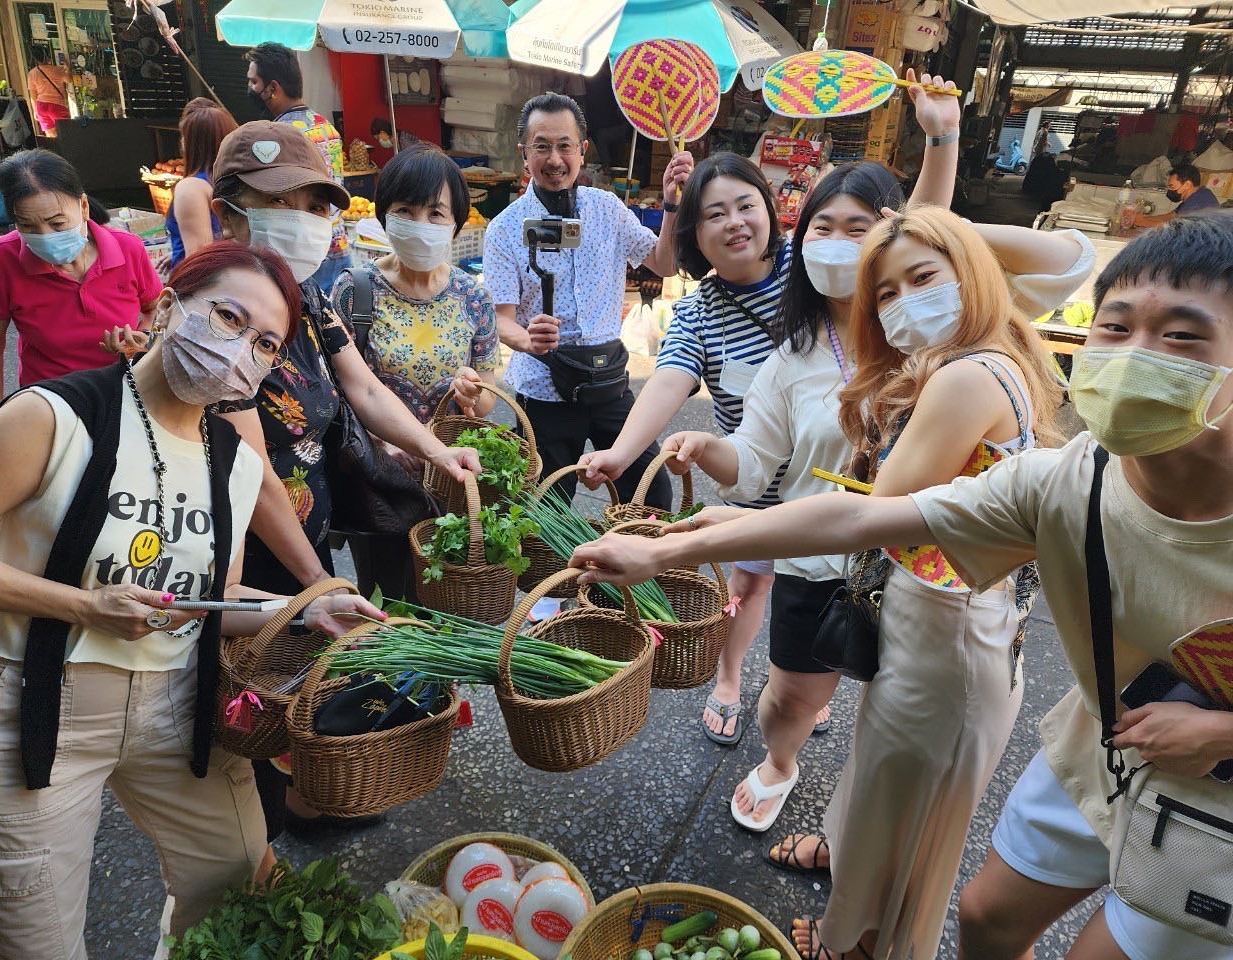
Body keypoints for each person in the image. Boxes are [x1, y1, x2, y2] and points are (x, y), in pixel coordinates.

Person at [575, 211, 1233, 960]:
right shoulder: (1068, 478)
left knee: (918, 821)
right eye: (1114, 329)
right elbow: (857, 520)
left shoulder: (964, 377)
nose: (1137, 357)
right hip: (1081, 731)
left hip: (996, 670)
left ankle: (859, 943)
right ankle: (856, 908)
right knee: (973, 902)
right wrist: (691, 539)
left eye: (1181, 336)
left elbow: (875, 514)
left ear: (975, 275)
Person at [0, 240, 383, 958]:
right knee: (33, 939)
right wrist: (82, 606)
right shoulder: (53, 417)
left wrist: (303, 608)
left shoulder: (237, 465)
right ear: (163, 307)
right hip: (27, 706)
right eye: (227, 316)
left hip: (175, 706)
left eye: (264, 343)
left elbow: (213, 599)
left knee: (236, 883)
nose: (238, 350)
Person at [580, 71, 962, 754]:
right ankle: (736, 684)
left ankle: (810, 688)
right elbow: (668, 384)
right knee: (753, 587)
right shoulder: (700, 312)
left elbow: (913, 238)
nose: (733, 223)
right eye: (713, 213)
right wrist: (623, 451)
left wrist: (941, 137)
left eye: (745, 205)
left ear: (771, 211)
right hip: (764, 475)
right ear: (695, 233)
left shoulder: (812, 272)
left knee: (875, 667)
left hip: (871, 505)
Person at [205, 121, 480, 838]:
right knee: (252, 683)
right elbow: (250, 468)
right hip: (242, 551)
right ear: (228, 210)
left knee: (305, 667)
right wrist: (316, 580)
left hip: (305, 533)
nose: (301, 221)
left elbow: (361, 387)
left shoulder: (306, 298)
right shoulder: (217, 312)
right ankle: (255, 831)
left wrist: (438, 452)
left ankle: (302, 798)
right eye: (280, 202)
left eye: (312, 204)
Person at [482, 92, 693, 520]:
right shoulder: (504, 229)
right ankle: (554, 588)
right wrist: (528, 340)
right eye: (542, 146)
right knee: (541, 511)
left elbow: (664, 262)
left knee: (652, 494)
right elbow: (501, 320)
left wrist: (672, 204)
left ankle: (628, 578)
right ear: (524, 154)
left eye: (565, 146)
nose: (555, 158)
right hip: (544, 389)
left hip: (607, 382)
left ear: (583, 150)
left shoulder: (608, 209)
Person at [331, 145, 499, 599]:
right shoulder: (354, 292)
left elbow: (486, 401)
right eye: (405, 211)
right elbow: (339, 391)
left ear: (457, 224)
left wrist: (472, 393)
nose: (421, 224)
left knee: (447, 601)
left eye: (435, 213)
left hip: (450, 484)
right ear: (384, 217)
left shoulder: (473, 297)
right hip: (379, 485)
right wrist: (384, 441)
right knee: (388, 597)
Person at [0, 149, 162, 414]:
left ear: (83, 206)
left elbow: (157, 308)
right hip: (52, 403)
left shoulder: (127, 248)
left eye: (57, 223)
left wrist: (143, 337)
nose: (45, 236)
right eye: (27, 226)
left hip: (128, 391)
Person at [244, 42, 348, 296]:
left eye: (254, 82)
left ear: (273, 88)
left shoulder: (279, 139)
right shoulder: (327, 127)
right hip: (335, 245)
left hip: (299, 256)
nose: (250, 88)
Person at [166, 97, 237, 268]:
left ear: (193, 142)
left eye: (183, 136)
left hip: (203, 286)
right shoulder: (235, 183)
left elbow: (200, 258)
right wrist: (180, 249)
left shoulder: (191, 187)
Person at [1127, 162, 1220, 228]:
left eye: (1172, 187)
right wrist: (1145, 218)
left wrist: (1142, 222)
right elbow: (1172, 216)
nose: (1169, 190)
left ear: (1187, 185)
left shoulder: (1198, 203)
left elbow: (1173, 228)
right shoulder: (1201, 194)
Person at [26, 47, 70, 138]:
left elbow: (33, 96)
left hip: (41, 106)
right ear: (48, 57)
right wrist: (67, 68)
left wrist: (35, 111)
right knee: (66, 133)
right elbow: (69, 80)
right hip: (57, 105)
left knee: (51, 135)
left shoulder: (32, 73)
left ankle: (55, 151)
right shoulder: (57, 70)